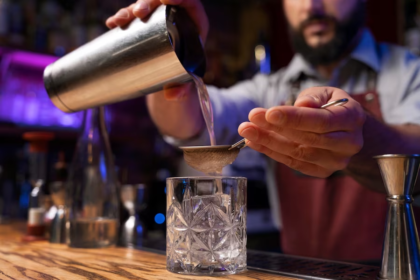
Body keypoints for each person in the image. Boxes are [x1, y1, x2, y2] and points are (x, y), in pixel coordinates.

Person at [106, 0, 420, 262]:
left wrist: (362, 134)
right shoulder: (268, 90)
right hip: (296, 271)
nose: (312, 5)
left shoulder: (410, 72)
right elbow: (188, 124)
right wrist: (171, 48)